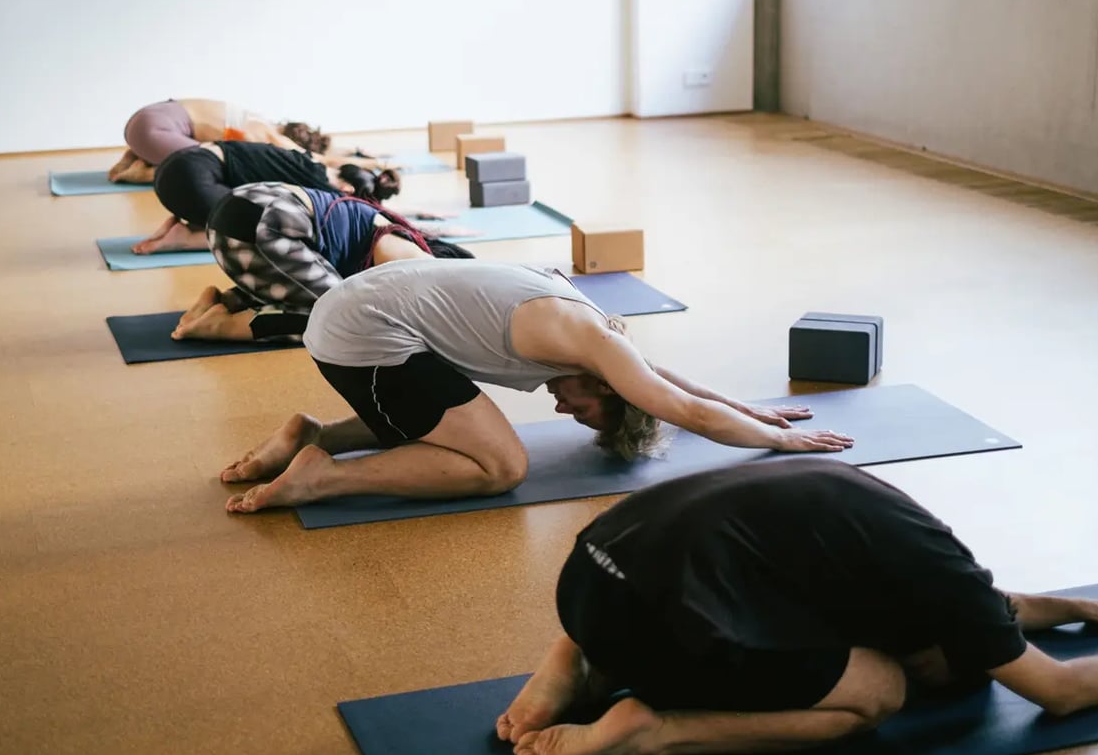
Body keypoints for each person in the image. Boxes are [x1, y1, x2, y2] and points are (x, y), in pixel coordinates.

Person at [494, 458, 1098, 755]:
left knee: (721, 582)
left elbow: (990, 608)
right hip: (664, 627)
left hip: (586, 578)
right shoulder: (944, 586)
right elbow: (1061, 692)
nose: (920, 669)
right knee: (877, 691)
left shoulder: (904, 538)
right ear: (939, 635)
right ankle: (654, 730)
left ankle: (581, 664)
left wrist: (1076, 607)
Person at [217, 258, 855, 513]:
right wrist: (781, 446)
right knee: (499, 465)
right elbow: (683, 408)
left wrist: (754, 409)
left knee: (453, 417)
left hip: (364, 305)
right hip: (362, 334)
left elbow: (666, 379)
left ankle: (315, 433)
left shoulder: (598, 338)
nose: (565, 409)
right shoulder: (590, 345)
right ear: (608, 389)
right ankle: (322, 476)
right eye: (585, 413)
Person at [171, 185, 473, 342]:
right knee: (337, 318)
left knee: (312, 286)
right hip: (263, 229)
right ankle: (220, 327)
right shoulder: (417, 259)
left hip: (237, 213)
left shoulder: (393, 231)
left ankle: (223, 302)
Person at [133, 140, 411, 254]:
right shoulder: (315, 184)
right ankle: (186, 237)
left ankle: (189, 223)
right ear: (347, 190)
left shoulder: (312, 163)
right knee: (260, 229)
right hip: (190, 182)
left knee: (248, 206)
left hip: (177, 166)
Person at [107, 98, 343, 184]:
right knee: (216, 165)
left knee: (206, 146)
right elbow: (313, 160)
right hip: (156, 133)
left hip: (142, 120)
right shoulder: (265, 132)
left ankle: (136, 156)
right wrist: (371, 163)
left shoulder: (250, 115)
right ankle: (144, 172)